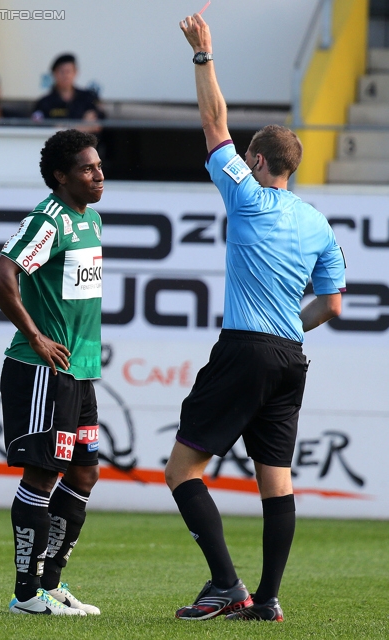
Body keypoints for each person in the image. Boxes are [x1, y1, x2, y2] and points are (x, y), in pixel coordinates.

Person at [165, 13, 346, 623]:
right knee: (278, 480)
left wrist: (203, 54)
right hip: (291, 356)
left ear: (260, 160)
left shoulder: (248, 195)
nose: (238, 160)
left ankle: (224, 584)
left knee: (182, 468)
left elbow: (214, 122)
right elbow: (333, 304)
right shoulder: (319, 222)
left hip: (244, 347)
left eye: (246, 156)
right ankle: (266, 601)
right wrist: (287, 324)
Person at [0, 129, 104, 615]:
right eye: (87, 169)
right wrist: (35, 335)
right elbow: (0, 273)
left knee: (85, 473)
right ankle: (25, 594)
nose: (99, 176)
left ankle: (52, 585)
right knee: (43, 475)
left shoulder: (90, 219)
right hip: (42, 369)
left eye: (99, 166)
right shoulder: (48, 220)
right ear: (61, 176)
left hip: (80, 369)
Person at [32, 53, 105, 127]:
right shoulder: (44, 103)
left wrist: (64, 128)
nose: (65, 76)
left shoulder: (88, 98)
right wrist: (82, 126)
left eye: (68, 71)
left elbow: (98, 125)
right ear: (54, 73)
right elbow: (40, 128)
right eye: (61, 71)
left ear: (75, 72)